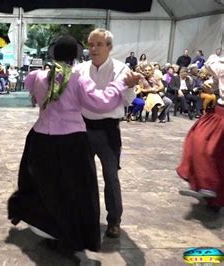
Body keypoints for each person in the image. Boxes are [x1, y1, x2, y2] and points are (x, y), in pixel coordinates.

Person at [8, 34, 140, 254]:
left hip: (40, 138)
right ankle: (72, 233)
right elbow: (100, 102)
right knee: (75, 190)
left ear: (52, 54)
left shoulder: (37, 76)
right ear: (76, 55)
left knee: (46, 185)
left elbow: (33, 91)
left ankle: (48, 227)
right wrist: (118, 85)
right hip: (71, 141)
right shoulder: (77, 78)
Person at [76, 28, 139, 238]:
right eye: (91, 44)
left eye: (99, 44)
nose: (93, 48)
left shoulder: (121, 69)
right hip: (82, 127)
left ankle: (114, 221)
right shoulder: (80, 69)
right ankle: (85, 216)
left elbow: (129, 100)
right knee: (83, 176)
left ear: (110, 47)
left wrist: (129, 87)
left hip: (108, 130)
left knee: (111, 177)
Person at [177, 55, 224, 211]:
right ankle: (207, 188)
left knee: (212, 150)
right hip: (218, 112)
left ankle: (211, 189)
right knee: (197, 139)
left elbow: (211, 63)